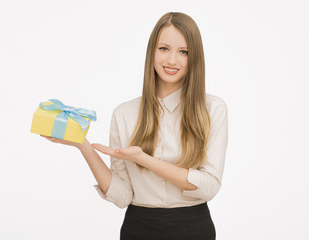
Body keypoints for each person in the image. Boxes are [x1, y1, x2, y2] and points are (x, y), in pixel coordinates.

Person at [42, 11, 228, 240]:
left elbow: (209, 186)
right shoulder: (124, 114)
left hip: (193, 228)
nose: (172, 60)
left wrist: (143, 159)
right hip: (138, 228)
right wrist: (84, 146)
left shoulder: (212, 109)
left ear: (195, 57)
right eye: (164, 49)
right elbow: (123, 197)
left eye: (183, 52)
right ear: (152, 52)